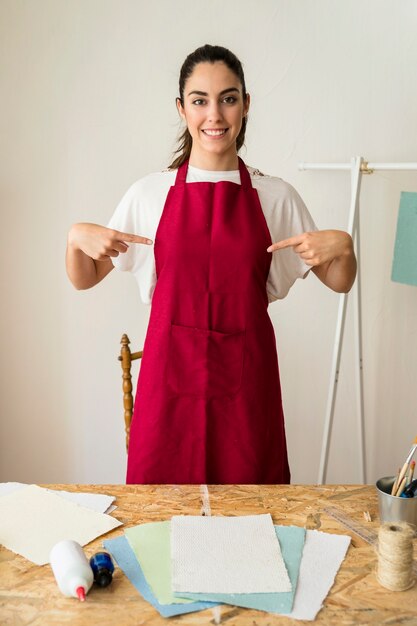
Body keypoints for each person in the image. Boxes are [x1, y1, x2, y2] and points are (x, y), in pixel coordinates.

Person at [66, 44, 356, 485]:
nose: (215, 115)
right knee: (159, 525)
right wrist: (74, 239)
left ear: (246, 104)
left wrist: (345, 248)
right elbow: (85, 278)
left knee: (252, 523)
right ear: (182, 109)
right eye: (200, 100)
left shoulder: (276, 196)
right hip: (167, 395)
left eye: (228, 98)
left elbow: (339, 281)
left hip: (247, 393)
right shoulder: (149, 194)